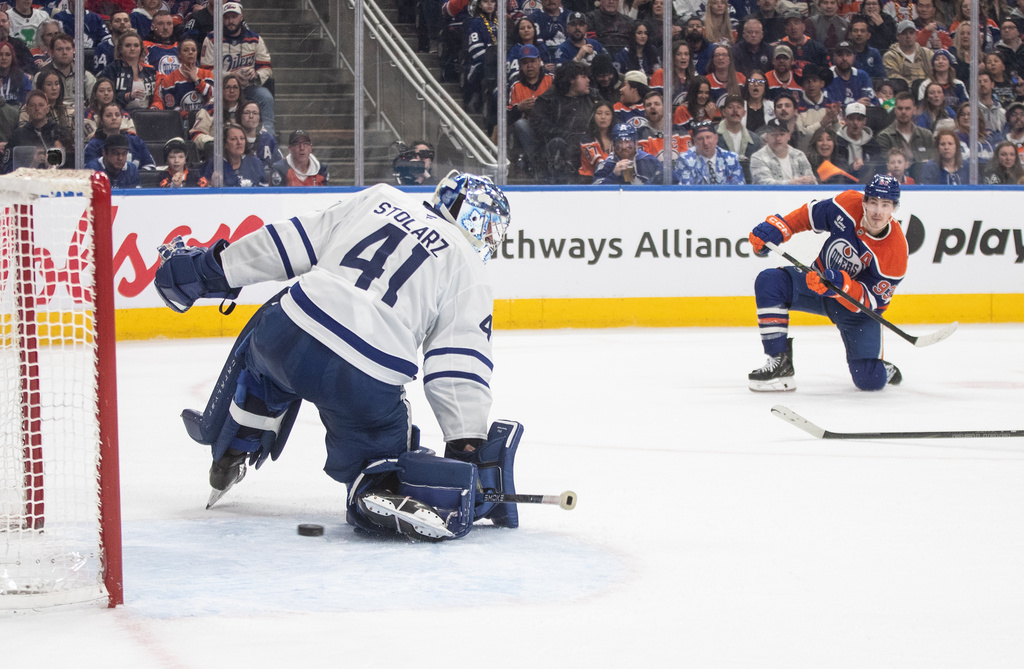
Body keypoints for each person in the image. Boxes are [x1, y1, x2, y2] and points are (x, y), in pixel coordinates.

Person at [152, 171, 517, 541]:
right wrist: (466, 440)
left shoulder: (381, 198)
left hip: (289, 330)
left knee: (261, 367)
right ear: (477, 221)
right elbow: (457, 365)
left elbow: (290, 241)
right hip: (365, 375)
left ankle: (237, 442)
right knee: (381, 445)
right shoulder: (468, 269)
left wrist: (212, 269)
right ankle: (376, 483)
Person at [746, 174, 905, 392]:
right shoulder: (847, 204)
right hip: (815, 284)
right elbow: (810, 215)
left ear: (894, 208)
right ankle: (779, 363)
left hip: (856, 313)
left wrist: (842, 286)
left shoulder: (895, 252)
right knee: (770, 281)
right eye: (874, 202)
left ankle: (883, 369)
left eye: (885, 205)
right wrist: (780, 228)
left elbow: (872, 303)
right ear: (864, 201)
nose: (878, 211)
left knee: (869, 381)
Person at [201, 1, 275, 134]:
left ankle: (267, 136)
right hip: (222, 88)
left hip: (248, 87)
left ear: (241, 16)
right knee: (210, 103)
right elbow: (205, 71)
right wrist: (231, 75)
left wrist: (256, 74)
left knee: (266, 97)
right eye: (227, 17)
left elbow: (266, 67)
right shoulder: (212, 39)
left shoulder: (255, 39)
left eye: (234, 17)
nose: (230, 21)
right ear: (221, 18)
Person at [529, 60, 601, 182]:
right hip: (557, 151)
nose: (588, 80)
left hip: (587, 148)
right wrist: (564, 135)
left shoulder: (593, 97)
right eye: (583, 77)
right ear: (571, 79)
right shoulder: (549, 99)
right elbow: (538, 123)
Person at [150, 36, 213, 128]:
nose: (190, 52)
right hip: (181, 124)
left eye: (193, 50)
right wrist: (189, 116)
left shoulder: (207, 75)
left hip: (206, 122)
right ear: (179, 55)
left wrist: (197, 80)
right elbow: (171, 107)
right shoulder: (170, 80)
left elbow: (214, 97)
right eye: (186, 50)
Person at [508, 44, 553, 164]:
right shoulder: (515, 85)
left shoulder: (551, 79)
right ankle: (536, 161)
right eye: (525, 63)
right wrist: (519, 108)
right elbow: (507, 115)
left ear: (539, 61)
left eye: (532, 61)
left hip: (549, 124)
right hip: (529, 128)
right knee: (520, 124)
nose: (529, 66)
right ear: (520, 65)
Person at [83, 101, 155, 169]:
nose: (114, 118)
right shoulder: (93, 145)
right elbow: (89, 172)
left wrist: (133, 176)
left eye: (117, 115)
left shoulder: (136, 142)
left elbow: (150, 166)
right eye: (109, 115)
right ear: (101, 120)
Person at [875, 91, 937, 167]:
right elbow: (886, 165)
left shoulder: (926, 135)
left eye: (907, 108)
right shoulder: (884, 137)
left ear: (914, 110)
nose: (903, 112)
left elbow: (934, 162)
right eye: (900, 108)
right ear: (895, 110)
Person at [673, 119, 745, 183]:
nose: (705, 143)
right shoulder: (685, 160)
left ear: (716, 138)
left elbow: (739, 190)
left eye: (708, 137)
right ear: (694, 142)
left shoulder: (731, 159)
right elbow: (686, 192)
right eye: (700, 139)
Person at [100, 30, 156, 110]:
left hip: (147, 115)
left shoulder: (150, 71)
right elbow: (104, 97)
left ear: (141, 48)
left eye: (136, 45)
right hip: (119, 114)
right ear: (120, 48)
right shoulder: (111, 69)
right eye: (128, 45)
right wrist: (128, 96)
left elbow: (156, 98)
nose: (132, 49)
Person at [749, 117, 816, 184]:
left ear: (788, 136)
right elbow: (766, 184)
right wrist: (794, 182)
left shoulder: (799, 155)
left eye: (782, 134)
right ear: (767, 137)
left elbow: (812, 182)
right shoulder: (758, 157)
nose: (778, 138)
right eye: (773, 134)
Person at [2, 88, 56, 171]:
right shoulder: (18, 135)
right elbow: (7, 168)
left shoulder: (59, 132)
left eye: (41, 105)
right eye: (32, 105)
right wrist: (32, 164)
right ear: (26, 109)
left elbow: (70, 165)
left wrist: (53, 164)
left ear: (47, 108)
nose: (37, 109)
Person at [592, 122, 663, 183]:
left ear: (635, 143)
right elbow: (594, 191)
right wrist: (613, 175)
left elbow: (668, 179)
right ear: (613, 144)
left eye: (628, 142)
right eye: (619, 142)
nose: (624, 146)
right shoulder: (606, 165)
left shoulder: (649, 160)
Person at [35, 34, 95, 107]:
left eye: (68, 49)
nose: (64, 52)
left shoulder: (86, 76)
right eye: (59, 49)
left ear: (73, 50)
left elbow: (94, 105)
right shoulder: (40, 76)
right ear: (51, 53)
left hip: (80, 115)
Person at [190, 73, 244, 151]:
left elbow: (259, 131)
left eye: (235, 87)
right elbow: (196, 134)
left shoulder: (247, 109)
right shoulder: (210, 109)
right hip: (216, 153)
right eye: (227, 87)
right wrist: (216, 143)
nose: (232, 91)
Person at [203, 122, 267, 187]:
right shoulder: (214, 165)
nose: (239, 142)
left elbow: (266, 191)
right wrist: (212, 185)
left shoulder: (255, 163)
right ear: (225, 143)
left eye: (242, 138)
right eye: (233, 139)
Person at [834, 101, 881, 181]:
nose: (855, 123)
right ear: (846, 120)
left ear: (864, 121)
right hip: (842, 183)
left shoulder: (872, 144)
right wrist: (851, 168)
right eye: (851, 119)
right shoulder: (837, 141)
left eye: (859, 119)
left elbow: (877, 168)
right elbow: (836, 168)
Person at [825, 41, 879, 107]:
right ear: (834, 57)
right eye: (840, 55)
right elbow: (828, 105)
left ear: (854, 57)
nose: (844, 58)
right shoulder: (827, 77)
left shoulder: (862, 76)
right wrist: (856, 104)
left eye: (848, 55)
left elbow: (872, 102)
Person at [884, 20, 934, 84]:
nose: (908, 36)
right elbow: (894, 77)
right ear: (897, 36)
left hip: (927, 89)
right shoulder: (890, 56)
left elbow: (935, 73)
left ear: (916, 35)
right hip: (903, 91)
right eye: (904, 33)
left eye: (911, 33)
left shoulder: (927, 53)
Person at [716, 92, 762, 162]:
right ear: (724, 112)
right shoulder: (713, 135)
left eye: (739, 107)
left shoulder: (755, 140)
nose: (735, 110)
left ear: (744, 113)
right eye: (730, 107)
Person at [649, 40, 694, 106]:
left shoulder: (694, 77)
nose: (683, 57)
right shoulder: (661, 74)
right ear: (672, 57)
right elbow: (653, 101)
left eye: (686, 54)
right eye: (679, 54)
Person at [579, 100, 614, 181]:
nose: (603, 117)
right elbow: (600, 164)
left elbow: (626, 160)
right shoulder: (586, 139)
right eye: (599, 113)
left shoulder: (617, 139)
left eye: (607, 114)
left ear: (612, 117)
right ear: (593, 116)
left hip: (612, 179)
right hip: (589, 181)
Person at [239, 100, 278, 171]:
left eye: (255, 113)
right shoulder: (235, 140)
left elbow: (278, 163)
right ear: (240, 116)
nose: (251, 116)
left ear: (260, 117)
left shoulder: (268, 139)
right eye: (247, 113)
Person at [846, 14, 886, 78]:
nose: (859, 34)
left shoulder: (874, 53)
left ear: (868, 35)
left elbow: (881, 76)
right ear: (850, 35)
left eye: (863, 31)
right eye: (856, 31)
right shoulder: (845, 53)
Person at [92, 10, 131, 75]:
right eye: (117, 21)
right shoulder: (102, 48)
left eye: (126, 20)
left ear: (130, 24)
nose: (122, 23)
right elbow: (99, 74)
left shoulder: (137, 45)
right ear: (110, 26)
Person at [143, 10, 180, 76]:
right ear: (152, 27)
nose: (165, 27)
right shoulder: (144, 46)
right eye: (160, 24)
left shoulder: (181, 47)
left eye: (169, 23)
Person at [0, 41, 29, 106]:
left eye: (7, 54)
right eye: (0, 54)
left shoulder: (22, 77)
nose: (4, 58)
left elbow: (26, 103)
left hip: (17, 114)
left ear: (12, 57)